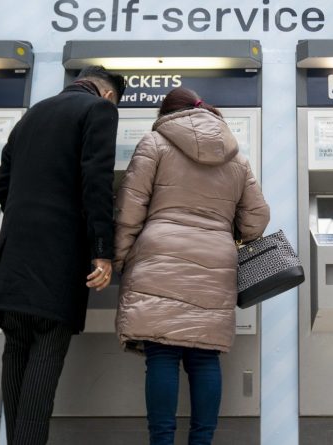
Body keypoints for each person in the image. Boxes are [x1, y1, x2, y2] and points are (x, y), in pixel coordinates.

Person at [0, 65, 125, 445]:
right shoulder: (99, 111)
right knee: (47, 348)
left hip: (15, 254)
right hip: (59, 258)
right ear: (108, 96)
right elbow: (97, 183)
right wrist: (103, 252)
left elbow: (1, 189)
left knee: (17, 344)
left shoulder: (31, 115)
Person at [114, 87, 270, 445]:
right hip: (216, 258)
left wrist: (120, 258)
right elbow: (257, 217)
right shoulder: (236, 159)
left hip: (160, 254)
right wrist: (227, 235)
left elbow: (129, 208)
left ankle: (162, 441)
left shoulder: (154, 143)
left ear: (166, 114)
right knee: (204, 356)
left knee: (162, 353)